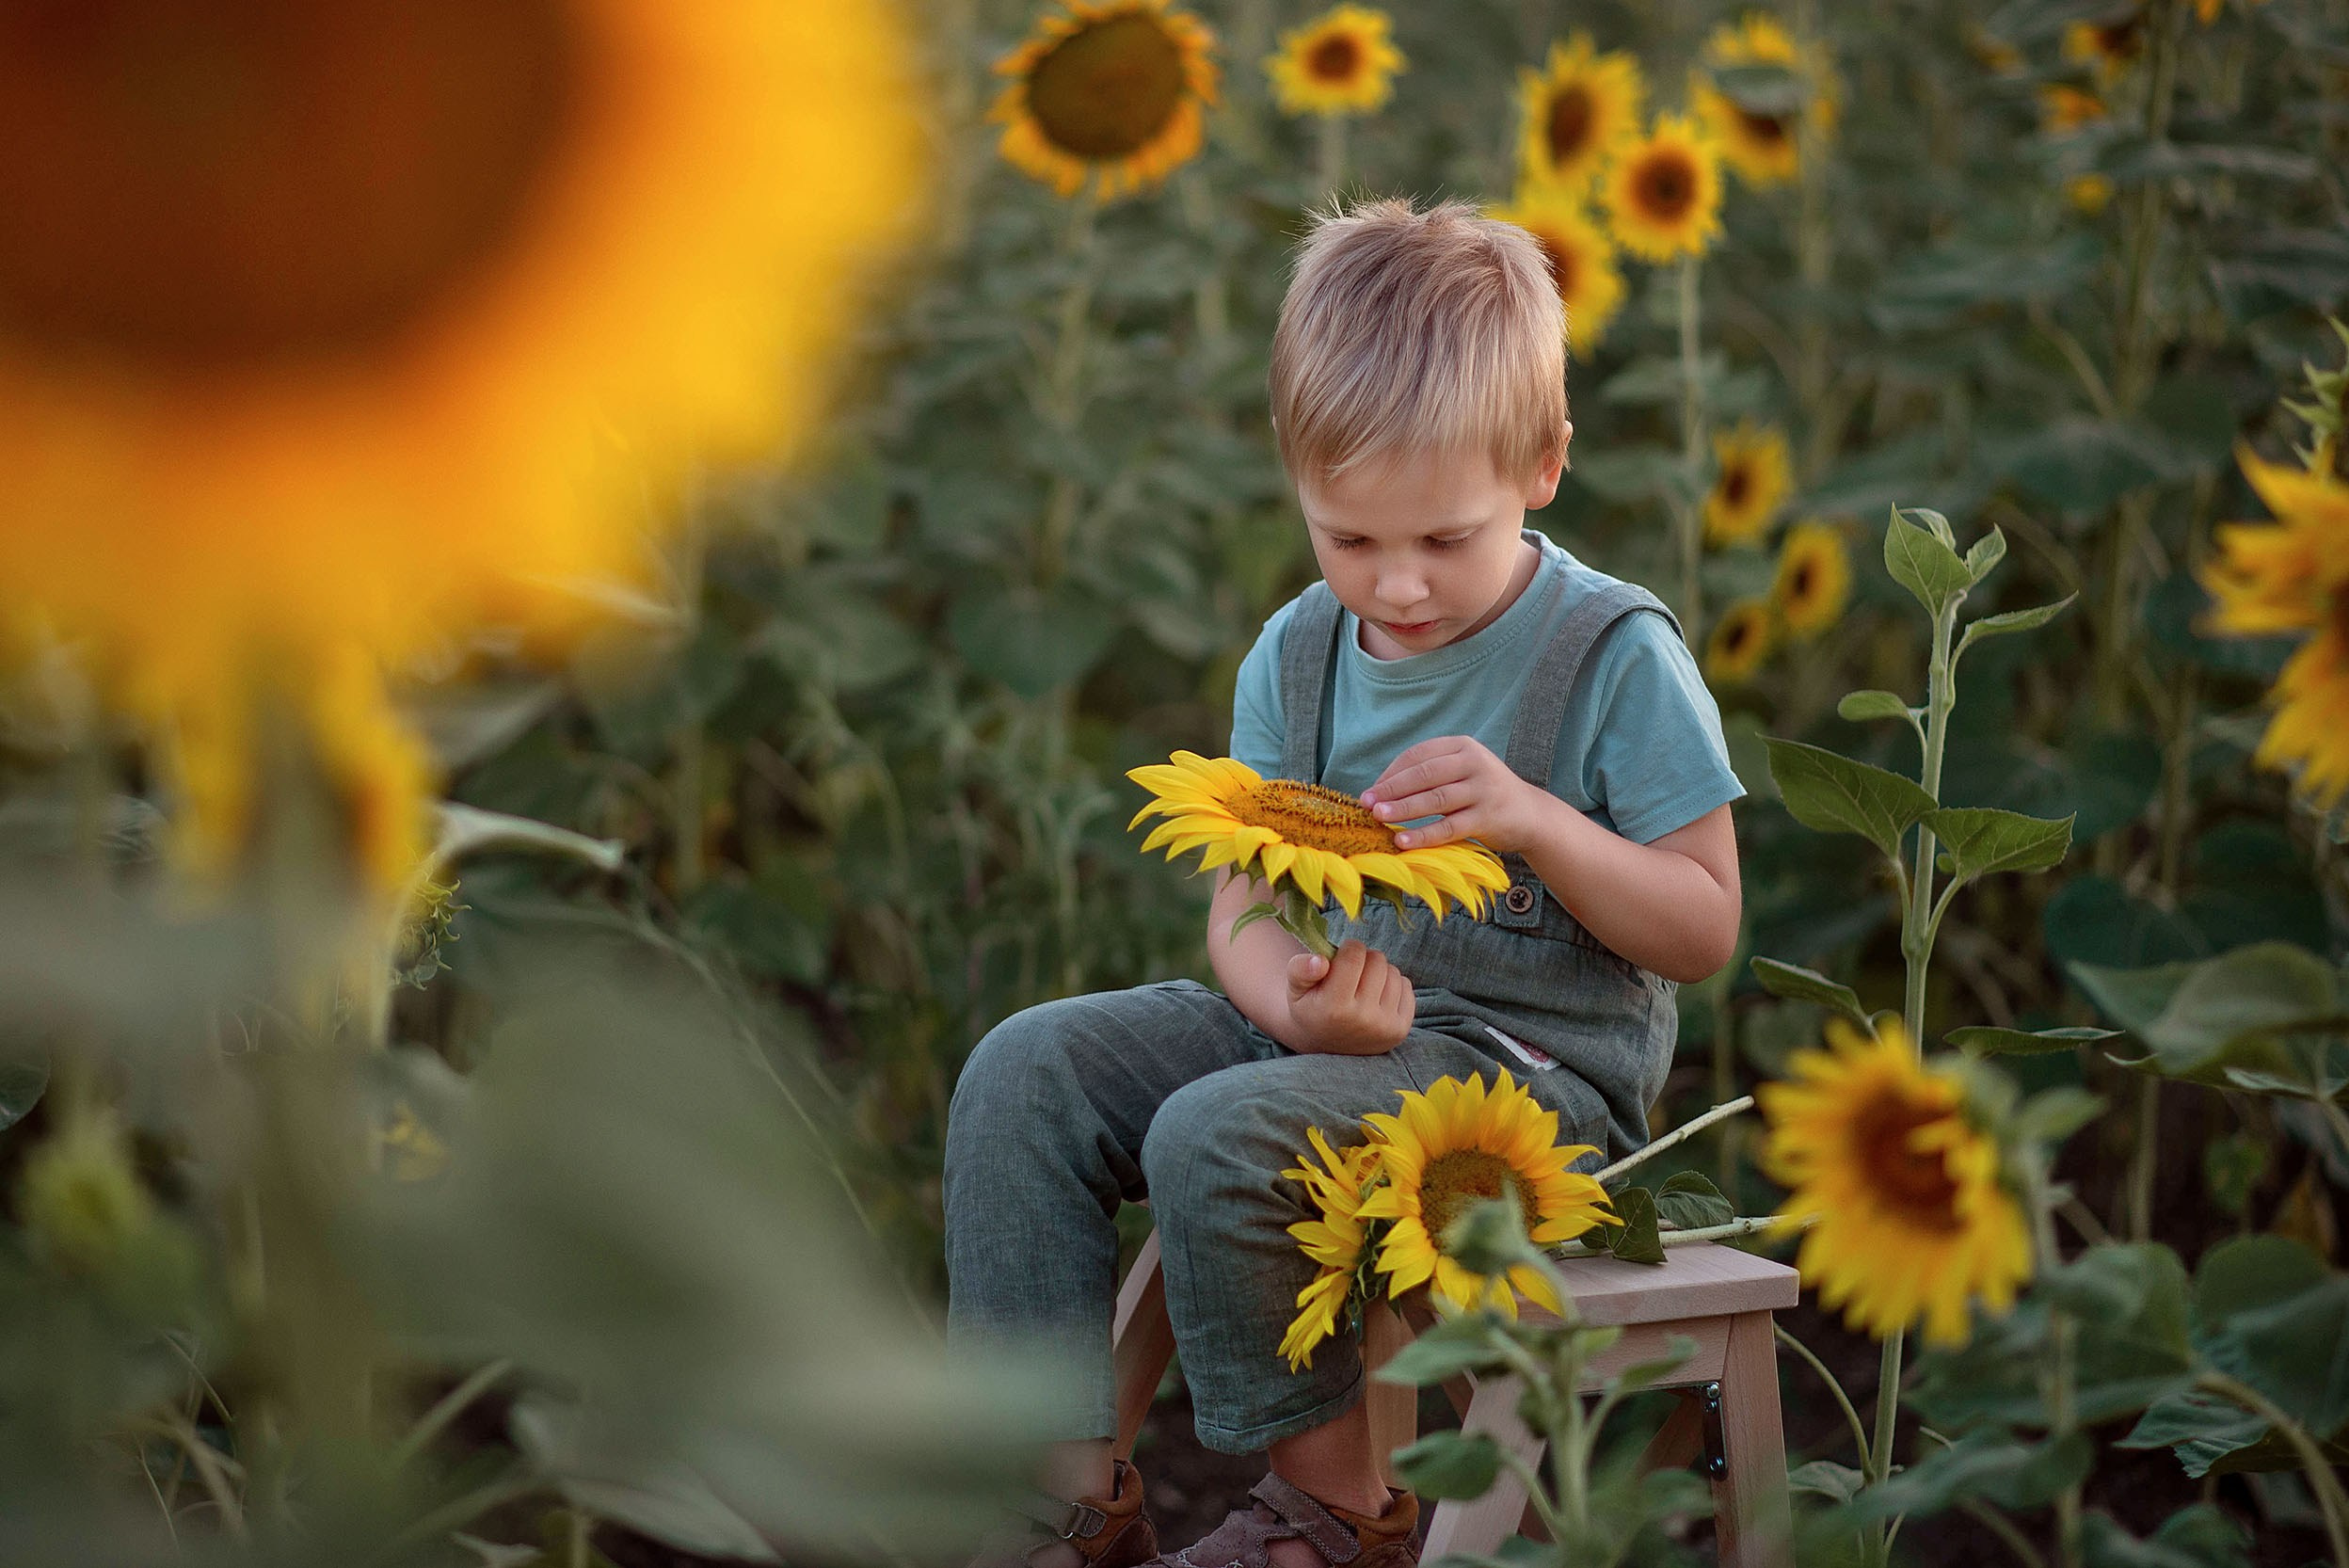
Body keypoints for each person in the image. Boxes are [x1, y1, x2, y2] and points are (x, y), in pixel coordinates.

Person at [946, 197, 1745, 1568]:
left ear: (1545, 464)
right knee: (1027, 1070)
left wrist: (1541, 821)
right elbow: (1247, 898)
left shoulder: (1611, 654)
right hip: (1318, 1035)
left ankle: (1332, 1515)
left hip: (1526, 1081)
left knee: (1214, 1133)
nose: (1398, 587)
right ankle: (1066, 1502)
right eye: (1348, 538)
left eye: (1444, 541)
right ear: (1299, 478)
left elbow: (1705, 924)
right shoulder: (1300, 654)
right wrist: (1291, 1003)